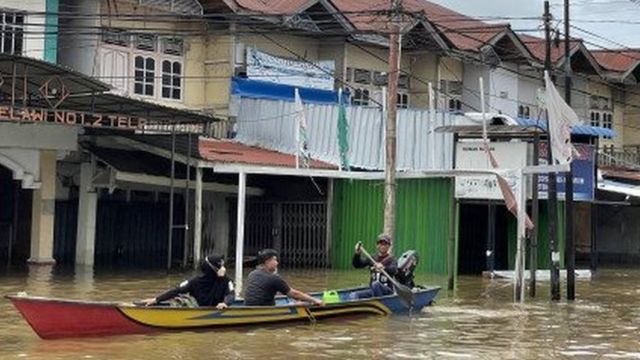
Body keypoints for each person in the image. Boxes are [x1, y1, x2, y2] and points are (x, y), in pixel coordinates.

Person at [141, 254, 234, 309]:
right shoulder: (195, 282)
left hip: (218, 309)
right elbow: (177, 290)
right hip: (198, 308)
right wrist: (157, 299)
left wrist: (225, 303)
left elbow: (230, 295)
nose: (223, 268)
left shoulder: (226, 281)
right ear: (213, 268)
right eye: (221, 266)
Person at [243, 249, 323, 306]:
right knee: (300, 303)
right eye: (275, 260)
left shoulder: (252, 273)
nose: (277, 263)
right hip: (265, 308)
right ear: (267, 262)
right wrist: (315, 300)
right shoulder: (273, 278)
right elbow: (294, 294)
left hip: (248, 306)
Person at [350, 234, 398, 299]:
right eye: (380, 243)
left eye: (385, 244)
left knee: (376, 284)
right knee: (354, 295)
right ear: (377, 245)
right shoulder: (372, 258)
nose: (382, 246)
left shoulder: (392, 259)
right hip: (373, 291)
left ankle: (381, 305)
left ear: (389, 246)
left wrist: (384, 268)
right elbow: (357, 265)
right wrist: (357, 254)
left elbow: (394, 270)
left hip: (387, 291)